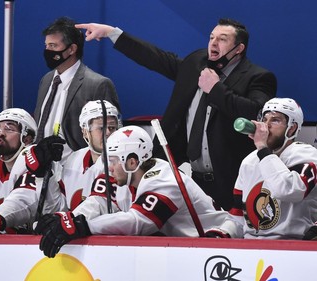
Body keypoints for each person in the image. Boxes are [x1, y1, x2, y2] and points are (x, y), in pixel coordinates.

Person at [75, 18, 277, 210]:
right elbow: (158, 59)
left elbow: (255, 112)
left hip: (232, 179)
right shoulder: (197, 63)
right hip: (191, 178)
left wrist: (215, 88)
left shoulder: (258, 77)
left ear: (239, 48)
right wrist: (112, 33)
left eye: (222, 39)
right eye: (211, 37)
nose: (213, 43)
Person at [34, 125, 229, 258]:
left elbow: (137, 222)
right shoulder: (125, 177)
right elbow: (98, 203)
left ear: (132, 162)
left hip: (218, 244)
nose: (109, 168)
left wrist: (84, 226)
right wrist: (68, 218)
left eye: (113, 161)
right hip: (184, 250)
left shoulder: (165, 181)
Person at [204, 98, 317, 239]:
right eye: (264, 119)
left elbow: (287, 191)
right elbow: (239, 215)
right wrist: (223, 232)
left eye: (275, 120)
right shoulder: (250, 161)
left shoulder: (306, 155)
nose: (266, 126)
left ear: (292, 128)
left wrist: (263, 149)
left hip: (292, 246)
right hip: (252, 246)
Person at [34, 16, 121, 162]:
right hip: (43, 167)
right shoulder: (46, 80)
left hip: (78, 170)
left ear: (72, 49)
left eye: (53, 46)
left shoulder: (98, 84)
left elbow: (111, 135)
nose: (47, 51)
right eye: (46, 46)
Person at [31, 100, 120, 213]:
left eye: (112, 128)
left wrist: (70, 222)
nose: (108, 133)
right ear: (85, 131)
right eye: (102, 128)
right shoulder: (74, 160)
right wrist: (42, 176)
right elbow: (56, 209)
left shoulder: (121, 162)